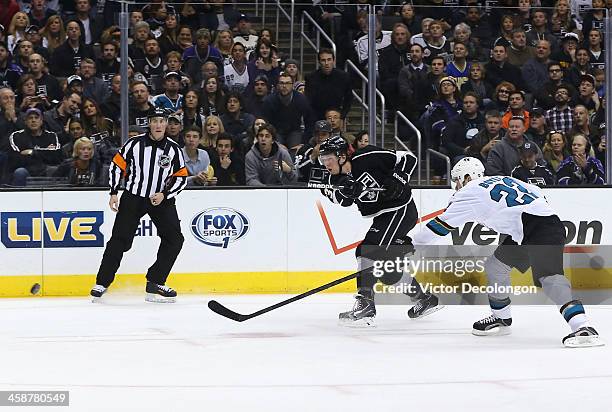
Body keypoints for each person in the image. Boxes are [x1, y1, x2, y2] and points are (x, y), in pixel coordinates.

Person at [411, 157, 603, 347]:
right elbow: (537, 194)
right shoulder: (503, 178)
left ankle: (582, 327)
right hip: (532, 227)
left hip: (537, 229)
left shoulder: (469, 191)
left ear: (467, 177)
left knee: (549, 277)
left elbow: (441, 226)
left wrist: (410, 245)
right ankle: (502, 318)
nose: (456, 186)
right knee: (496, 266)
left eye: (457, 180)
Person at [317, 135, 441, 326]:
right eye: (322, 160)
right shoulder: (334, 178)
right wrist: (347, 190)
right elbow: (342, 200)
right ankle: (425, 299)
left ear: (342, 156)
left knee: (367, 249)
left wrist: (398, 179)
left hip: (401, 209)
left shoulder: (368, 157)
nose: (326, 164)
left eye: (329, 159)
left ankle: (365, 303)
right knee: (387, 273)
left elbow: (409, 158)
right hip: (383, 215)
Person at [90, 107, 188, 303]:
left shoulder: (174, 149)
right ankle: (102, 283)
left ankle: (156, 281)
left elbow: (181, 177)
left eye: (162, 121)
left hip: (160, 199)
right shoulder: (133, 144)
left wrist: (165, 194)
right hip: (134, 197)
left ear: (167, 124)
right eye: (155, 121)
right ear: (149, 123)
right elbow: (117, 166)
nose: (159, 125)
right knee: (119, 240)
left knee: (175, 239)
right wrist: (114, 192)